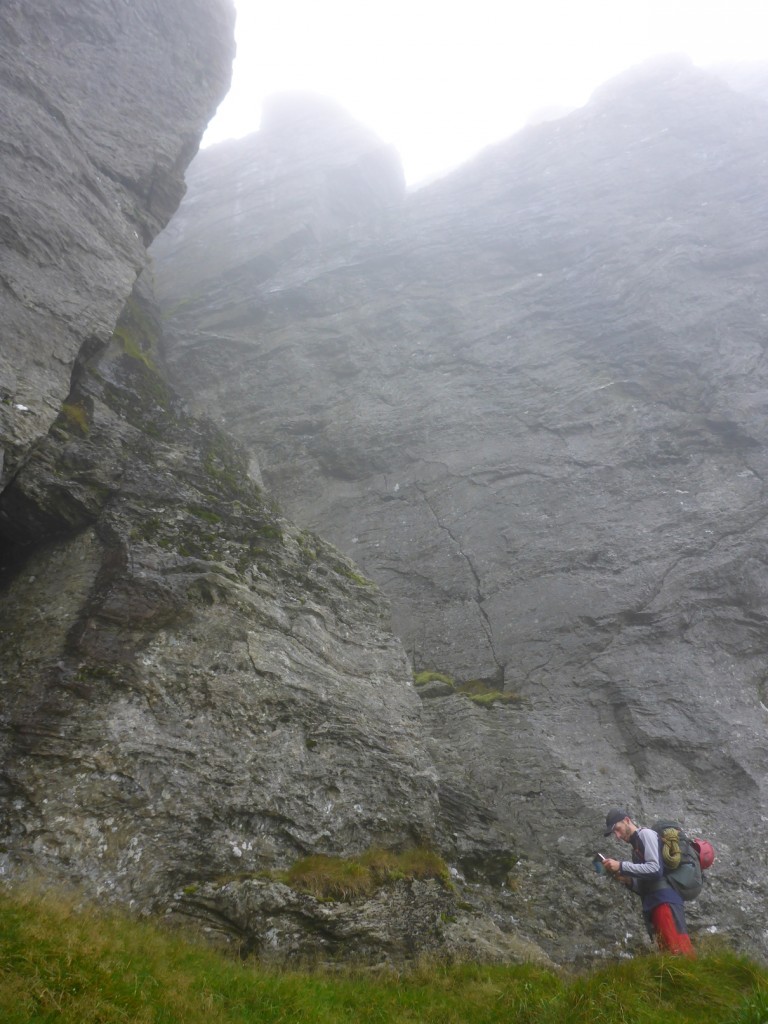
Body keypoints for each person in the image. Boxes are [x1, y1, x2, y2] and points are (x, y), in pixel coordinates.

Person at [602, 807, 695, 958]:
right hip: (656, 903)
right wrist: (629, 881)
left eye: (618, 829)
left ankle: (693, 979)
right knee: (669, 954)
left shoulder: (645, 834)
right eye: (614, 833)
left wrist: (621, 866)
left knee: (678, 952)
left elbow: (655, 869)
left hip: (665, 903)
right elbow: (648, 883)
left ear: (627, 821)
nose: (618, 836)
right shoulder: (636, 847)